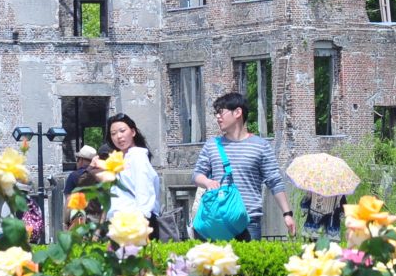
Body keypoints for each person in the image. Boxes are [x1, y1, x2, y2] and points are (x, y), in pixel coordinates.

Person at [191, 93, 295, 241]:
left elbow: (274, 181)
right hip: (218, 219)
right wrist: (207, 182)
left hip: (249, 222)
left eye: (221, 112)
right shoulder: (212, 145)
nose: (217, 118)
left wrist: (287, 214)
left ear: (238, 112)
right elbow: (196, 175)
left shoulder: (261, 146)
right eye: (216, 113)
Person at [104, 113, 166, 241]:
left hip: (136, 223)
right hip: (121, 223)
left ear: (133, 132)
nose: (118, 136)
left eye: (122, 131)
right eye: (113, 133)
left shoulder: (137, 156)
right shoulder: (121, 158)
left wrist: (141, 222)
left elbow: (144, 190)